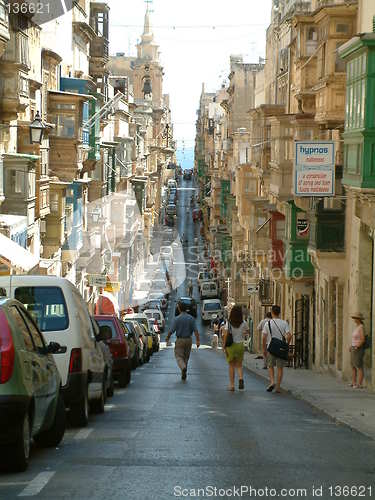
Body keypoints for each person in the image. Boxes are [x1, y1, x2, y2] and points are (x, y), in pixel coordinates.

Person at [165, 301, 200, 381]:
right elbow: (196, 331)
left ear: (179, 309)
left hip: (180, 340)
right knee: (186, 358)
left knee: (179, 356)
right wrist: (198, 341)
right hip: (189, 340)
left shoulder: (177, 319)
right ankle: (183, 373)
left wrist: (167, 338)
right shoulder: (191, 318)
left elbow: (171, 330)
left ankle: (183, 368)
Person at [262, 305, 292, 394]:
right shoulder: (284, 323)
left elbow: (264, 337)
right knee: (280, 368)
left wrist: (264, 349)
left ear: (272, 313)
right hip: (281, 349)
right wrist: (287, 344)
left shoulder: (268, 323)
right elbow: (289, 335)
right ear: (279, 312)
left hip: (271, 348)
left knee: (270, 366)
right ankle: (278, 387)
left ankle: (272, 381)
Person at [222, 305, 250, 391]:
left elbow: (226, 335)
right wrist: (242, 333)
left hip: (231, 346)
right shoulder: (244, 322)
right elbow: (248, 331)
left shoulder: (229, 323)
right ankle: (241, 378)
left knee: (231, 366)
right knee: (239, 365)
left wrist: (224, 346)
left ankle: (232, 385)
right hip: (240, 345)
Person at [349, 312, 366, 389]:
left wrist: (357, 346)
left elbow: (362, 339)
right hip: (353, 348)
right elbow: (354, 338)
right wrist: (351, 346)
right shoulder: (357, 327)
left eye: (355, 318)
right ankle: (353, 382)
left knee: (359, 366)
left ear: (359, 319)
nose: (354, 319)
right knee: (353, 366)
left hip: (358, 349)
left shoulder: (361, 327)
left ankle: (359, 384)